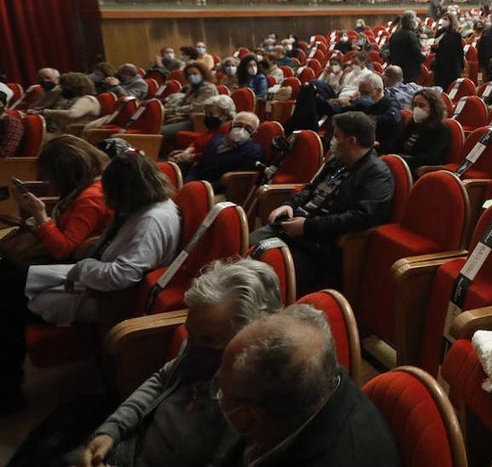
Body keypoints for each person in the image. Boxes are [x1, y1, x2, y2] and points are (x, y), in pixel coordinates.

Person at [0, 151, 180, 411]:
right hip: (90, 275)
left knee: (7, 306)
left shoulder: (152, 220)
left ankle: (8, 394)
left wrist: (83, 267)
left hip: (107, 297)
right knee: (8, 284)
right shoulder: (142, 205)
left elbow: (124, 275)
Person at [65, 260, 282, 467]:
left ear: (248, 339)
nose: (191, 345)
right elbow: (162, 379)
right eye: (190, 334)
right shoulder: (202, 344)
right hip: (128, 446)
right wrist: (111, 430)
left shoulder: (250, 406)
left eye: (207, 340)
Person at [211, 305, 400, 467]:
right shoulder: (321, 379)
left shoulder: (346, 456)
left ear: (250, 417)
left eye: (221, 391)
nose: (218, 394)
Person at [257, 112, 394, 293]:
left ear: (351, 140)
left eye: (336, 137)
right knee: (245, 247)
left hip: (319, 244)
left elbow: (360, 217)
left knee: (260, 273)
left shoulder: (377, 173)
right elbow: (310, 188)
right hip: (296, 225)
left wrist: (308, 226)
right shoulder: (338, 161)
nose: (332, 141)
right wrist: (289, 205)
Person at [4, 135, 111, 266]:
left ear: (66, 174)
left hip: (71, 264)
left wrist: (40, 214)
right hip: (58, 250)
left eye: (50, 176)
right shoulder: (90, 183)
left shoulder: (92, 198)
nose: (48, 181)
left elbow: (63, 251)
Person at [184, 111, 264, 193]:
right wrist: (188, 183)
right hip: (197, 185)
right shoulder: (217, 139)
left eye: (248, 128)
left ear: (254, 133)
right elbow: (199, 166)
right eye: (239, 125)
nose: (241, 130)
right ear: (231, 125)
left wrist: (202, 189)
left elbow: (235, 181)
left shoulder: (253, 151)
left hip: (219, 192)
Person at [393, 88, 450, 173]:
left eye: (422, 105)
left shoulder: (441, 130)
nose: (417, 108)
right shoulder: (412, 123)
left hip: (419, 167)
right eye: (415, 105)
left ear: (432, 108)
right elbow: (397, 143)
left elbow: (431, 157)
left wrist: (400, 161)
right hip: (402, 162)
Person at [30, 73, 100, 139]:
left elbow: (71, 114)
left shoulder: (88, 99)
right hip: (62, 132)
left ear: (75, 87)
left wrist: (44, 112)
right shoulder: (72, 99)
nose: (62, 89)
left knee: (36, 138)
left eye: (65, 87)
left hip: (74, 135)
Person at [161, 61, 219, 139]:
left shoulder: (209, 88)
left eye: (195, 74)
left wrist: (172, 111)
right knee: (154, 126)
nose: (192, 76)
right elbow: (182, 103)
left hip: (196, 121)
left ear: (202, 74)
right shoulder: (190, 87)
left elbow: (196, 107)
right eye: (189, 75)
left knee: (161, 131)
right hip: (183, 117)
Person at [386, 10, 424, 84]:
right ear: (411, 22)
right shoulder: (411, 35)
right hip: (410, 71)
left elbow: (391, 51)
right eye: (415, 20)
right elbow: (417, 54)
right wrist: (424, 57)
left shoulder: (395, 34)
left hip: (397, 69)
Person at [431, 13, 464, 90]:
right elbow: (434, 50)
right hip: (440, 65)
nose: (444, 21)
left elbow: (459, 52)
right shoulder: (439, 32)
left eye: (446, 19)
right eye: (443, 19)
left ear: (451, 21)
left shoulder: (456, 35)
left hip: (452, 66)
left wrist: (461, 67)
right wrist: (435, 47)